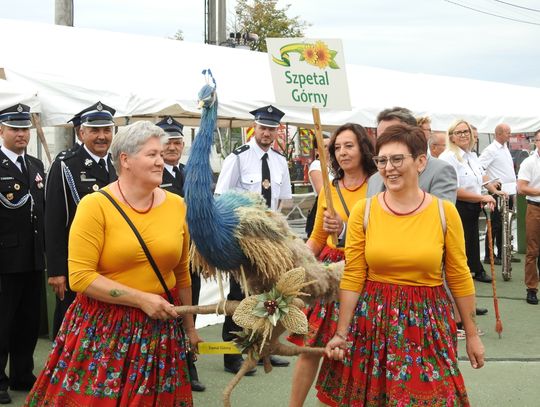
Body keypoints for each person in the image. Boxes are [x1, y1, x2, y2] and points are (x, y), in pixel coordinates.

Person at [25, 121, 201, 406]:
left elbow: (181, 273)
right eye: (152, 154)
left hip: (161, 330)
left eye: (161, 153)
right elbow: (80, 277)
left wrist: (190, 329)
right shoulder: (95, 206)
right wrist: (141, 299)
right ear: (125, 160)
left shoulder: (177, 205)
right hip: (105, 329)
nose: (161, 160)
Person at [317, 124, 484, 406]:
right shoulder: (364, 211)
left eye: (397, 159)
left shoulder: (445, 213)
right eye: (382, 161)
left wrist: (471, 334)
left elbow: (458, 276)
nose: (388, 168)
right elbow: (355, 274)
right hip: (373, 323)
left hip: (428, 324)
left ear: (420, 161)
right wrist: (341, 333)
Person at [289, 123, 377, 407]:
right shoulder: (329, 188)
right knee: (310, 348)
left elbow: (380, 235)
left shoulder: (377, 187)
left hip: (360, 271)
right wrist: (297, 265)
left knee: (351, 350)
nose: (342, 153)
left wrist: (345, 228)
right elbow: (316, 238)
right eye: (337, 148)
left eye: (349, 146)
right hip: (327, 274)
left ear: (363, 148)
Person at [215, 105, 292, 374]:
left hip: (269, 240)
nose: (267, 133)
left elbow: (282, 200)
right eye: (263, 128)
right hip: (243, 239)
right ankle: (233, 354)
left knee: (266, 294)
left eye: (272, 129)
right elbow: (222, 198)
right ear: (254, 128)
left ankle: (261, 350)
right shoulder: (237, 159)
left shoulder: (280, 161)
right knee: (240, 294)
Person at [45, 101, 117, 339]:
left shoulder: (119, 163)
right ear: (81, 132)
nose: (101, 136)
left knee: (107, 325)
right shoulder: (66, 164)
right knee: (72, 325)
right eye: (95, 131)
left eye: (107, 130)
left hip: (113, 262)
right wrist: (57, 270)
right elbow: (54, 219)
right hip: (78, 263)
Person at [0, 104, 45, 405]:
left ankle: (22, 373)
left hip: (32, 258)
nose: (21, 134)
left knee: (28, 321)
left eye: (24, 128)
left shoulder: (35, 165)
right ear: (1, 131)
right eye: (14, 129)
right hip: (4, 259)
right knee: (2, 322)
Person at [156, 116, 205, 392]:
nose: (173, 147)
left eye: (176, 141)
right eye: (167, 142)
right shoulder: (152, 172)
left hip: (191, 257)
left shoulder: (192, 173)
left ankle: (189, 367)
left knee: (190, 311)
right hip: (164, 256)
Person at [439, 120, 497, 283]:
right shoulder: (448, 157)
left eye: (466, 131)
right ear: (451, 137)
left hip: (472, 206)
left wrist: (491, 191)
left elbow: (480, 179)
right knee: (459, 247)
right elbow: (453, 190)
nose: (464, 135)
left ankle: (475, 271)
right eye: (459, 132)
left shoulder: (472, 156)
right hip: (457, 207)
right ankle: (462, 283)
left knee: (471, 242)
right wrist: (482, 197)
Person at [367, 107, 457, 203]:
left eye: (393, 135)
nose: (385, 141)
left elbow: (440, 215)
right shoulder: (374, 180)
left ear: (412, 134)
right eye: (381, 137)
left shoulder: (441, 170)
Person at [479, 123, 518, 265]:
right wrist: (490, 183)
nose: (510, 135)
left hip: (508, 192)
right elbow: (479, 167)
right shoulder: (491, 150)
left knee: (505, 224)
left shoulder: (504, 148)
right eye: (508, 132)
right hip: (497, 192)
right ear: (499, 133)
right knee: (495, 224)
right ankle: (489, 256)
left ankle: (503, 254)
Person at [517, 130, 540, 305]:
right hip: (535, 208)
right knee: (532, 251)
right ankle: (531, 289)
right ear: (535, 142)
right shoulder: (529, 162)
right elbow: (521, 188)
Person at [305, 132, 332, 238]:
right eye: (324, 146)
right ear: (317, 151)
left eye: (330, 146)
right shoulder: (316, 165)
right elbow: (322, 191)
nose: (328, 149)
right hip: (323, 208)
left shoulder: (337, 166)